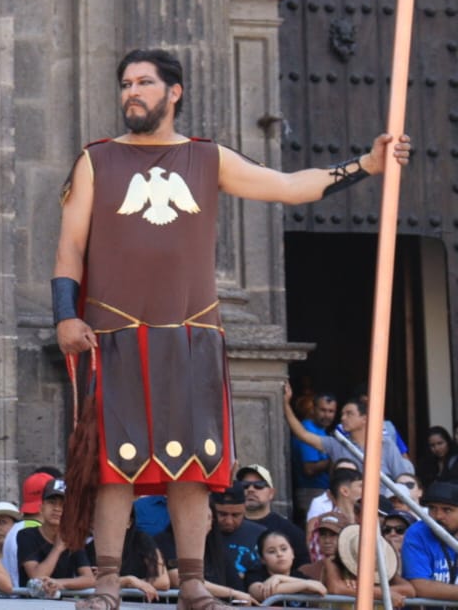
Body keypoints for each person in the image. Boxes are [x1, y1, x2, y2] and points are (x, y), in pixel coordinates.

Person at [53, 48, 408, 610]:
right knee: (112, 467)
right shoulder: (97, 160)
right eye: (125, 84)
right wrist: (64, 315)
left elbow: (289, 186)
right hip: (114, 333)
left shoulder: (208, 157)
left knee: (192, 466)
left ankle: (193, 585)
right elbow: (70, 246)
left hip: (192, 335)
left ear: (175, 92)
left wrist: (365, 165)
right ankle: (106, 585)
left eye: (144, 82)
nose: (131, 93)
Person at [284, 386, 414, 481]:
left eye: (349, 414)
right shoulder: (336, 444)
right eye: (342, 414)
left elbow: (402, 479)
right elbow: (303, 434)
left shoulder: (386, 445)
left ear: (364, 419)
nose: (343, 418)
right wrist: (285, 404)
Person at [16, 478, 94, 592]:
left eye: (63, 505)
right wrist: (57, 549)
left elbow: (89, 579)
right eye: (52, 502)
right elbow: (37, 578)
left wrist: (58, 583)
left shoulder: (73, 539)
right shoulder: (26, 535)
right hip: (32, 603)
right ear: (41, 507)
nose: (57, 508)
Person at [327, 523, 415, 606]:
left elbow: (409, 590)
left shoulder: (384, 568)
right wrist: (383, 594)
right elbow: (336, 588)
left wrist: (356, 589)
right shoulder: (331, 563)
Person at [236, 463, 308, 563]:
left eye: (259, 485)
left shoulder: (290, 531)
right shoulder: (228, 525)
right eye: (245, 485)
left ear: (271, 493)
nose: (251, 489)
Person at [400, 479, 458, 600]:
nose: (438, 516)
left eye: (447, 510)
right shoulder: (417, 533)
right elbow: (420, 586)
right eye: (432, 508)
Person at [243, 530, 326, 602]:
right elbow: (260, 593)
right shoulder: (255, 574)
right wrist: (305, 585)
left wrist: (280, 578)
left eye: (284, 549)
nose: (279, 554)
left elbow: (321, 589)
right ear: (262, 559)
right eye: (271, 551)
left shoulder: (299, 575)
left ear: (292, 553)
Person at [292, 392, 337, 512]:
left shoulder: (323, 431)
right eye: (323, 410)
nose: (326, 415)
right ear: (313, 409)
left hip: (322, 491)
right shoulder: (308, 429)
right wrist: (336, 457)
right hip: (311, 492)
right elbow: (309, 469)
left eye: (331, 411)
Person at [300, 511, 346, 581]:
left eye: (333, 535)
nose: (327, 540)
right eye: (323, 534)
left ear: (345, 536)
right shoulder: (306, 571)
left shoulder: (356, 570)